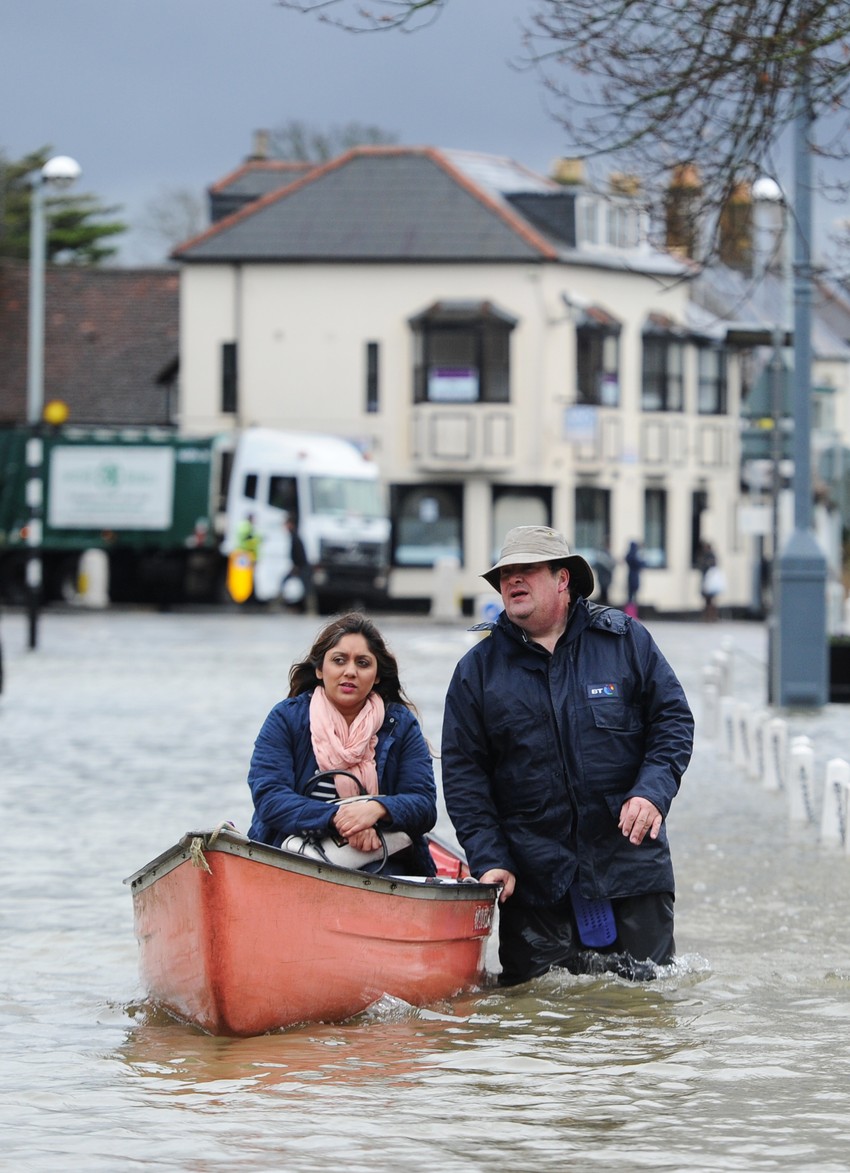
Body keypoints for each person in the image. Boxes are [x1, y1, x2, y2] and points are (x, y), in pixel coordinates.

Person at [441, 525, 694, 985]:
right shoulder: (475, 672)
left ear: (563, 579)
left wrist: (652, 793)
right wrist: (488, 857)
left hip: (631, 872)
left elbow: (673, 723)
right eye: (506, 573)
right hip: (535, 888)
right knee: (538, 1029)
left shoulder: (626, 642)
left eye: (527, 570)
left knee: (646, 1016)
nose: (513, 580)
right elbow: (464, 778)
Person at [247, 612, 438, 875]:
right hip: (291, 861)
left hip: (382, 861)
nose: (350, 671)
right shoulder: (286, 719)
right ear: (319, 669)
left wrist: (376, 810)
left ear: (377, 675)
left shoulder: (401, 725)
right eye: (339, 661)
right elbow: (270, 798)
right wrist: (339, 820)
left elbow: (424, 805)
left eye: (362, 663)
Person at [697, 540, 724, 622]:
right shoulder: (707, 555)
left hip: (709, 580)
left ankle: (711, 616)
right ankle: (709, 616)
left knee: (709, 600)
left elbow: (707, 566)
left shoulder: (709, 556)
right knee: (708, 600)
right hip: (707, 580)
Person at [624, 539, 645, 616]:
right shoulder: (635, 556)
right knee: (634, 596)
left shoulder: (629, 555)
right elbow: (641, 564)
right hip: (635, 576)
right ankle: (633, 614)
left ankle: (629, 613)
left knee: (630, 596)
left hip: (630, 576)